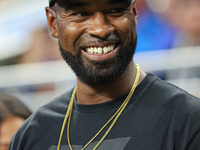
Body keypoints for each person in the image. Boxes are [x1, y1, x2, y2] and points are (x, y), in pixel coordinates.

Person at [9, 0, 200, 149]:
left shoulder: (187, 121)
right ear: (52, 23)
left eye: (115, 10)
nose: (100, 29)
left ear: (134, 14)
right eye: (80, 13)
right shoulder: (32, 134)